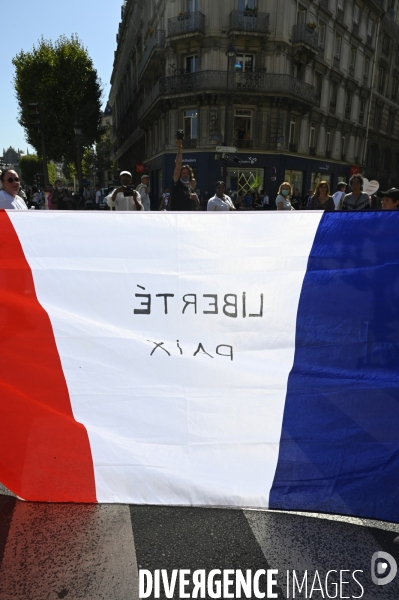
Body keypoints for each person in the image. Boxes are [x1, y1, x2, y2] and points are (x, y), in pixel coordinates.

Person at [170, 140, 199, 210]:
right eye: (183, 173)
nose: (185, 175)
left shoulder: (190, 189)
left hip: (189, 218)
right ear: (180, 174)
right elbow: (178, 166)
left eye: (187, 173)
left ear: (190, 175)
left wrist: (196, 199)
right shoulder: (177, 183)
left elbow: (197, 205)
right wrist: (180, 149)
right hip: (177, 217)